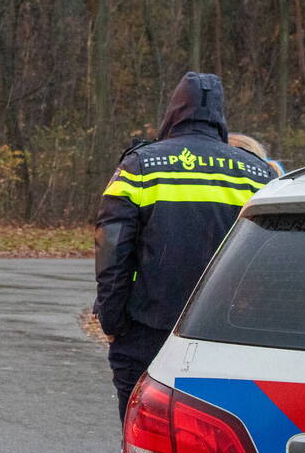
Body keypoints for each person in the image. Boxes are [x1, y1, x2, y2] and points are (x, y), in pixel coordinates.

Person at [93, 72, 273, 422]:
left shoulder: (142, 165)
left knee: (141, 433)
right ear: (220, 115)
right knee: (216, 437)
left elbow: (112, 250)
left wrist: (113, 321)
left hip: (148, 328)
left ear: (173, 110)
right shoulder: (258, 174)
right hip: (225, 332)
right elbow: (271, 264)